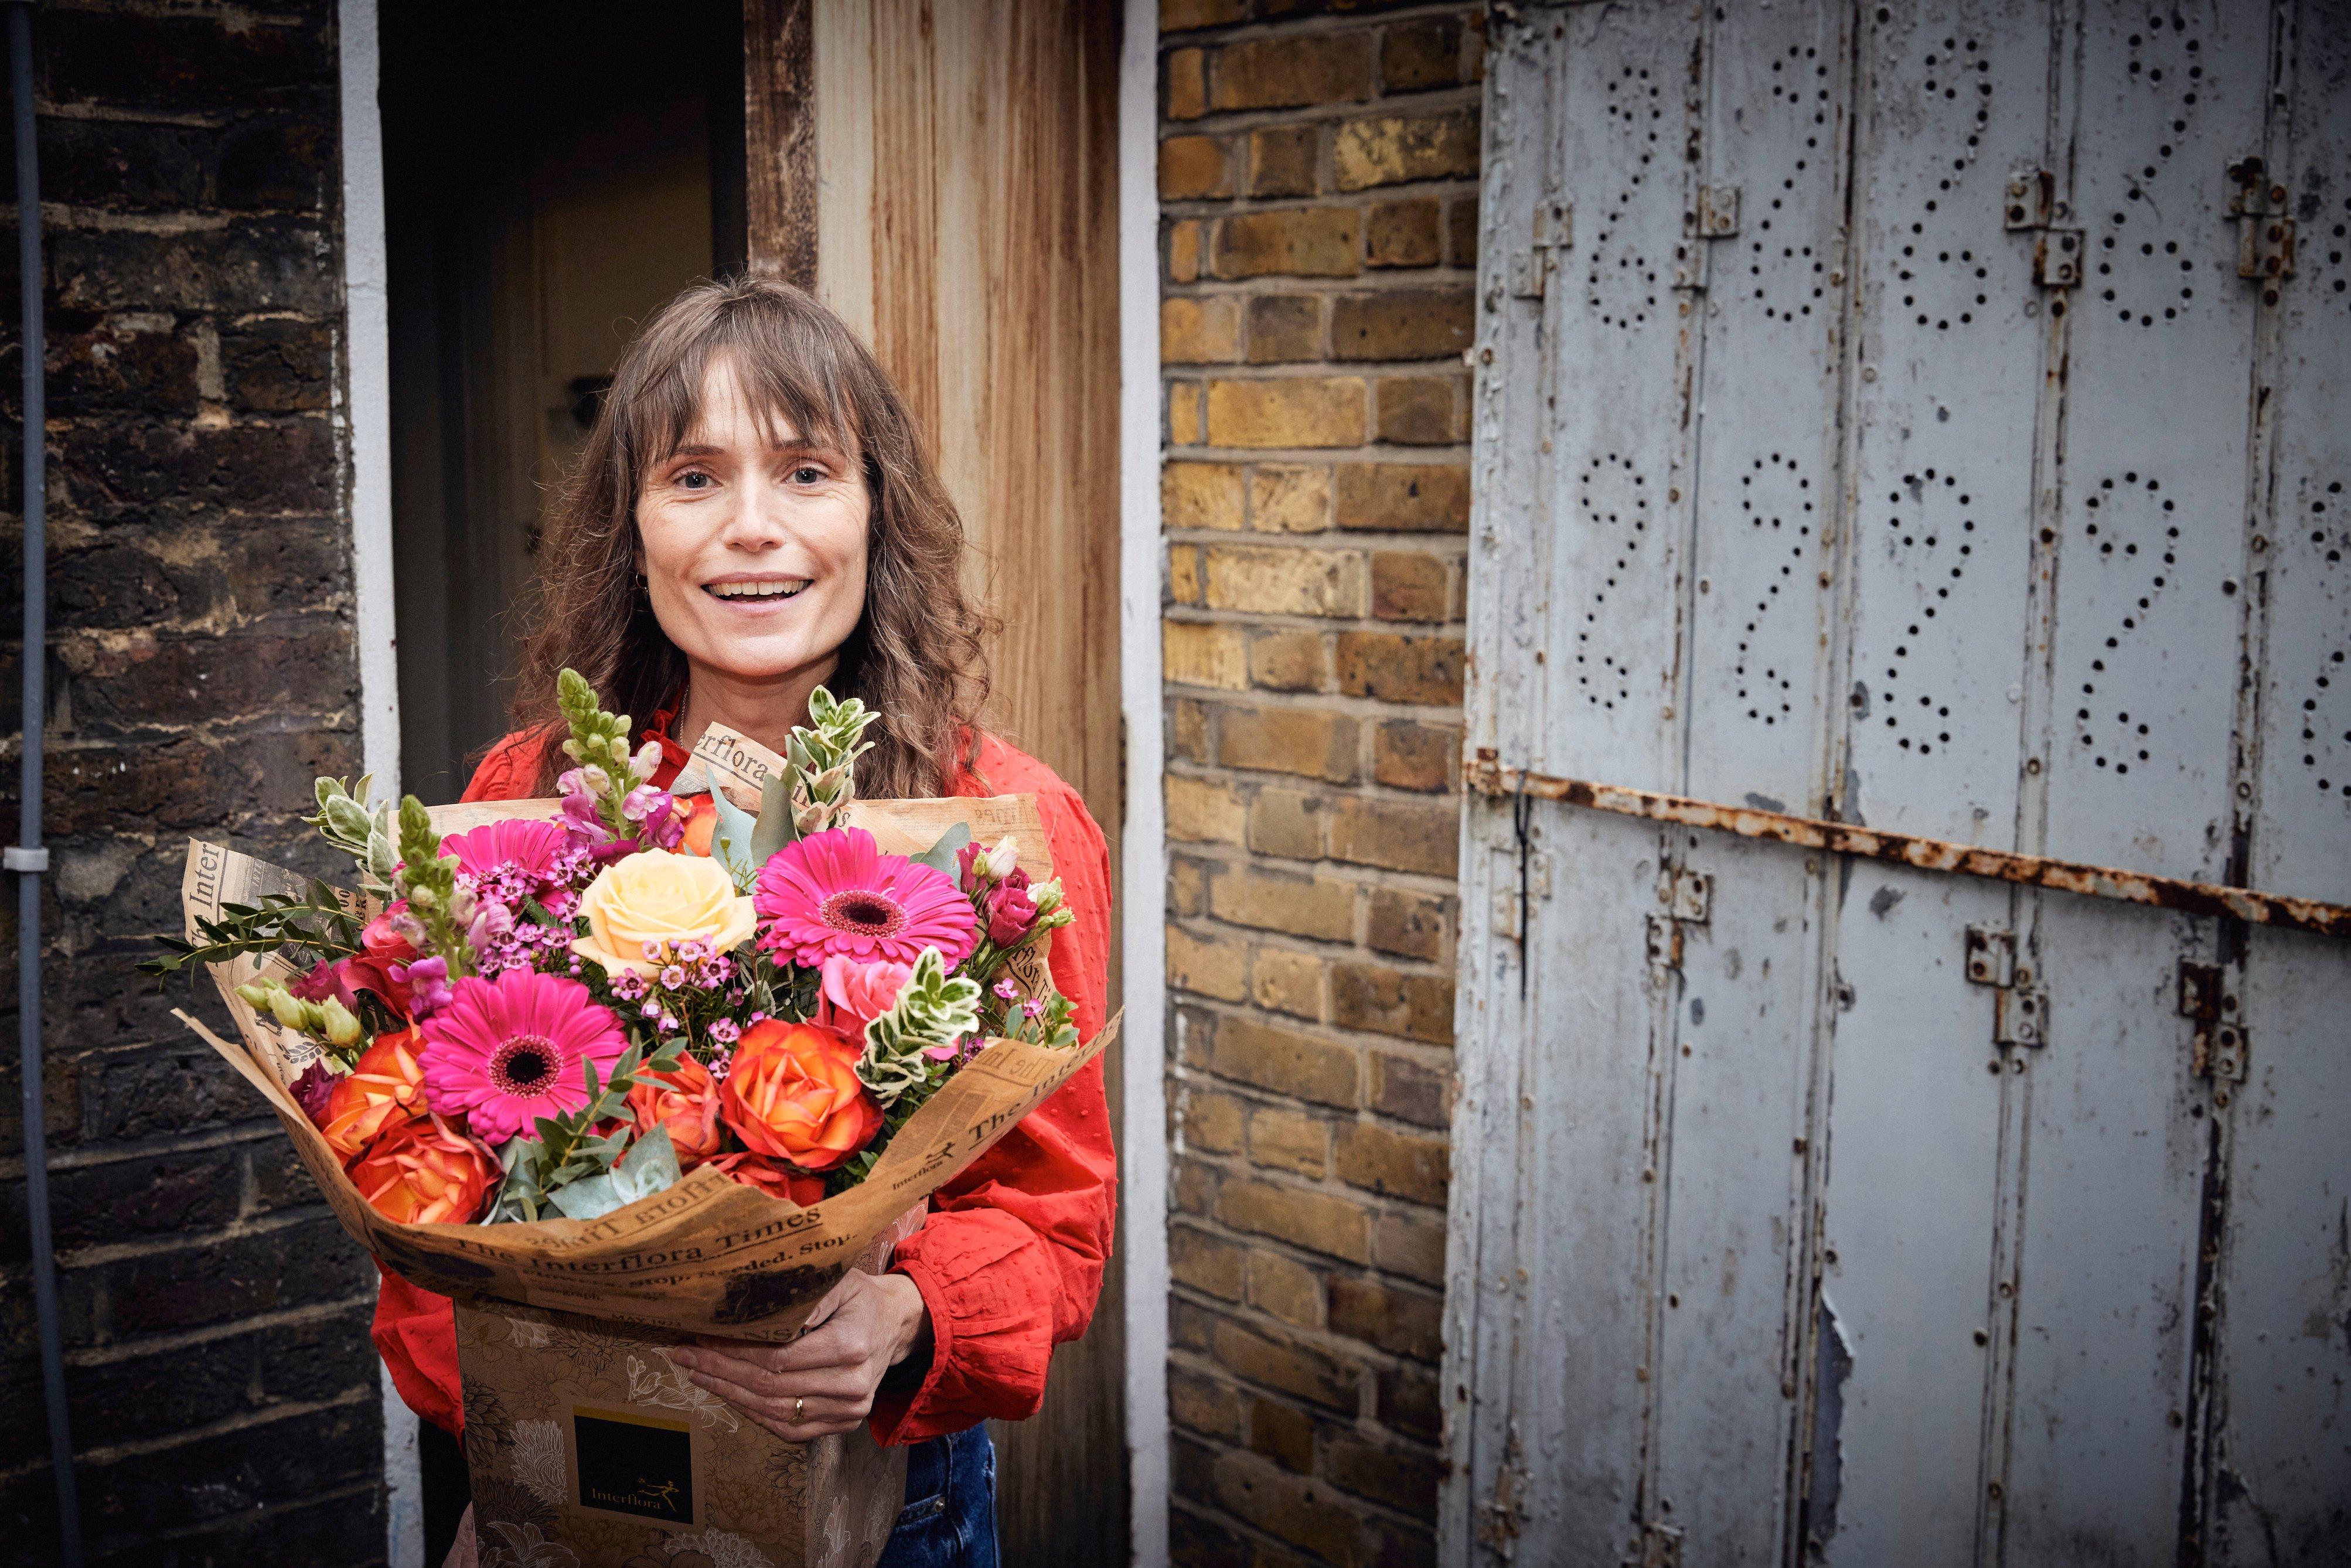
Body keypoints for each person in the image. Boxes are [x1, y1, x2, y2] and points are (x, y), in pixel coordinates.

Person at [375, 277, 1118, 1568]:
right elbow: (416, 1182)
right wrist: (501, 1430)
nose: (752, 530)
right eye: (695, 478)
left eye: (807, 470)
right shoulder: (521, 799)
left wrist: (904, 1315)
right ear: (632, 528)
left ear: (877, 514)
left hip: (891, 1505)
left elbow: (1055, 1223)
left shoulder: (1004, 831)